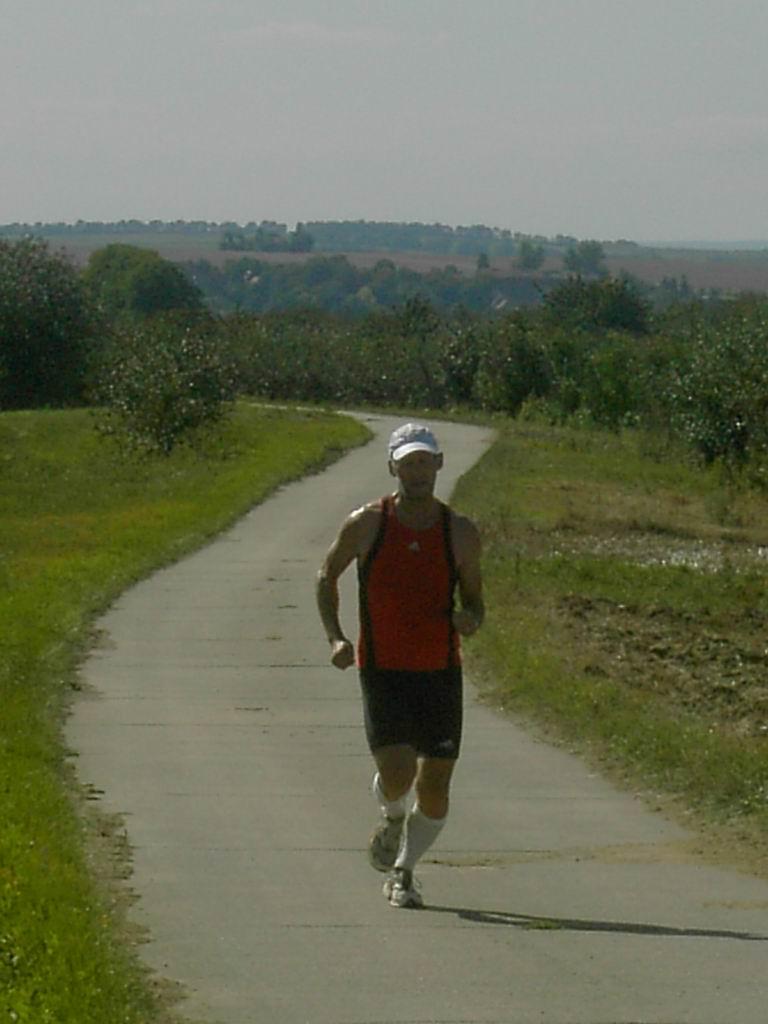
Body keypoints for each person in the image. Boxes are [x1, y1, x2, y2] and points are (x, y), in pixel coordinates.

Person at [316, 422, 484, 909]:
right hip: (384, 669)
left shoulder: (459, 532)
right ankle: (391, 815)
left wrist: (470, 619)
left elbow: (475, 600)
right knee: (398, 774)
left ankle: (403, 871)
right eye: (408, 463)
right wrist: (335, 637)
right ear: (393, 467)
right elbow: (326, 576)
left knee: (435, 788)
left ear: (439, 465)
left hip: (440, 670)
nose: (417, 471)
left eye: (425, 462)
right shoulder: (368, 523)